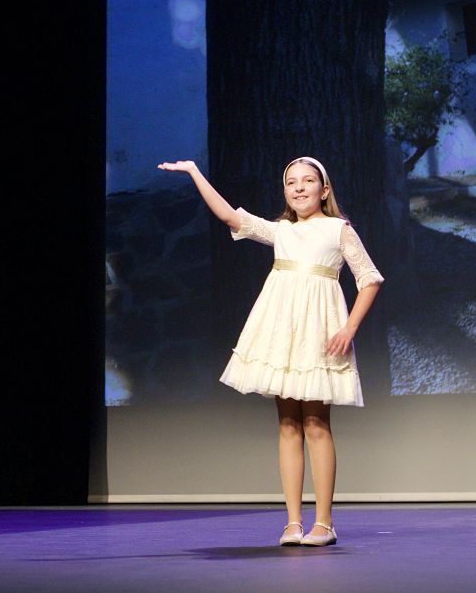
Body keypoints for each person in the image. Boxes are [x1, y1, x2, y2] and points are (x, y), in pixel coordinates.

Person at [157, 156, 383, 547]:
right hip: (282, 331)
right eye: (291, 182)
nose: (298, 188)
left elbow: (370, 279)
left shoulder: (338, 230)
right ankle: (293, 522)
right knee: (287, 423)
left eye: (307, 181)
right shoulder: (281, 231)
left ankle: (324, 523)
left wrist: (349, 328)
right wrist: (195, 172)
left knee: (316, 422)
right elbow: (231, 217)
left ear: (324, 190)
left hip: (318, 329)